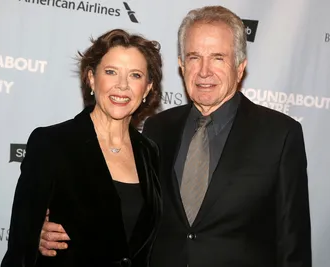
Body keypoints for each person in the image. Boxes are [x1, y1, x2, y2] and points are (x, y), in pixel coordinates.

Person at [38, 6, 312, 267]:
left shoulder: (280, 135)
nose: (204, 71)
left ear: (240, 67)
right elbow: (128, 212)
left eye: (218, 57)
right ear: (181, 65)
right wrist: (49, 228)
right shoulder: (157, 128)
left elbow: (293, 245)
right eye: (194, 57)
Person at [0, 29, 163, 267]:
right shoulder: (52, 143)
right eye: (111, 72)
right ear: (91, 78)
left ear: (147, 88)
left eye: (135, 75)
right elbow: (20, 245)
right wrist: (34, 235)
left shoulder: (149, 152)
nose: (122, 85)